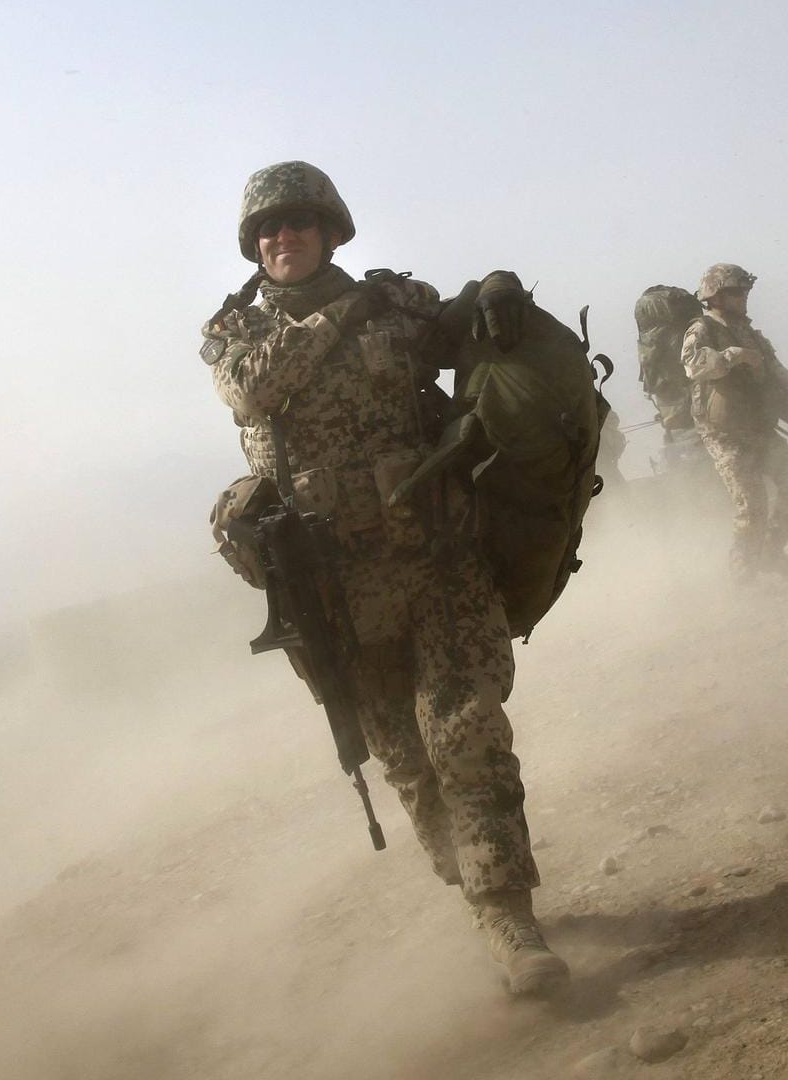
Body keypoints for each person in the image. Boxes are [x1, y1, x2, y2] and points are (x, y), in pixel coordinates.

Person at [201, 161, 568, 996]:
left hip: (438, 561)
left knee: (466, 730)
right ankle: (470, 880)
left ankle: (509, 919)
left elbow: (477, 331)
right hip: (334, 592)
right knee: (407, 762)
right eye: (267, 229)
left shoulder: (401, 304)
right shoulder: (233, 335)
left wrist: (495, 290)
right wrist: (342, 313)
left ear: (332, 229)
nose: (281, 237)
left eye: (299, 222)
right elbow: (256, 392)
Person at [680, 263, 788, 579]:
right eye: (736, 292)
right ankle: (742, 575)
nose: (744, 298)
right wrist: (733, 355)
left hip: (758, 425)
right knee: (752, 506)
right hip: (724, 433)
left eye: (745, 292)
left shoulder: (748, 331)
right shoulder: (702, 329)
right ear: (716, 295)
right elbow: (693, 365)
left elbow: (774, 367)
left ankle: (771, 552)